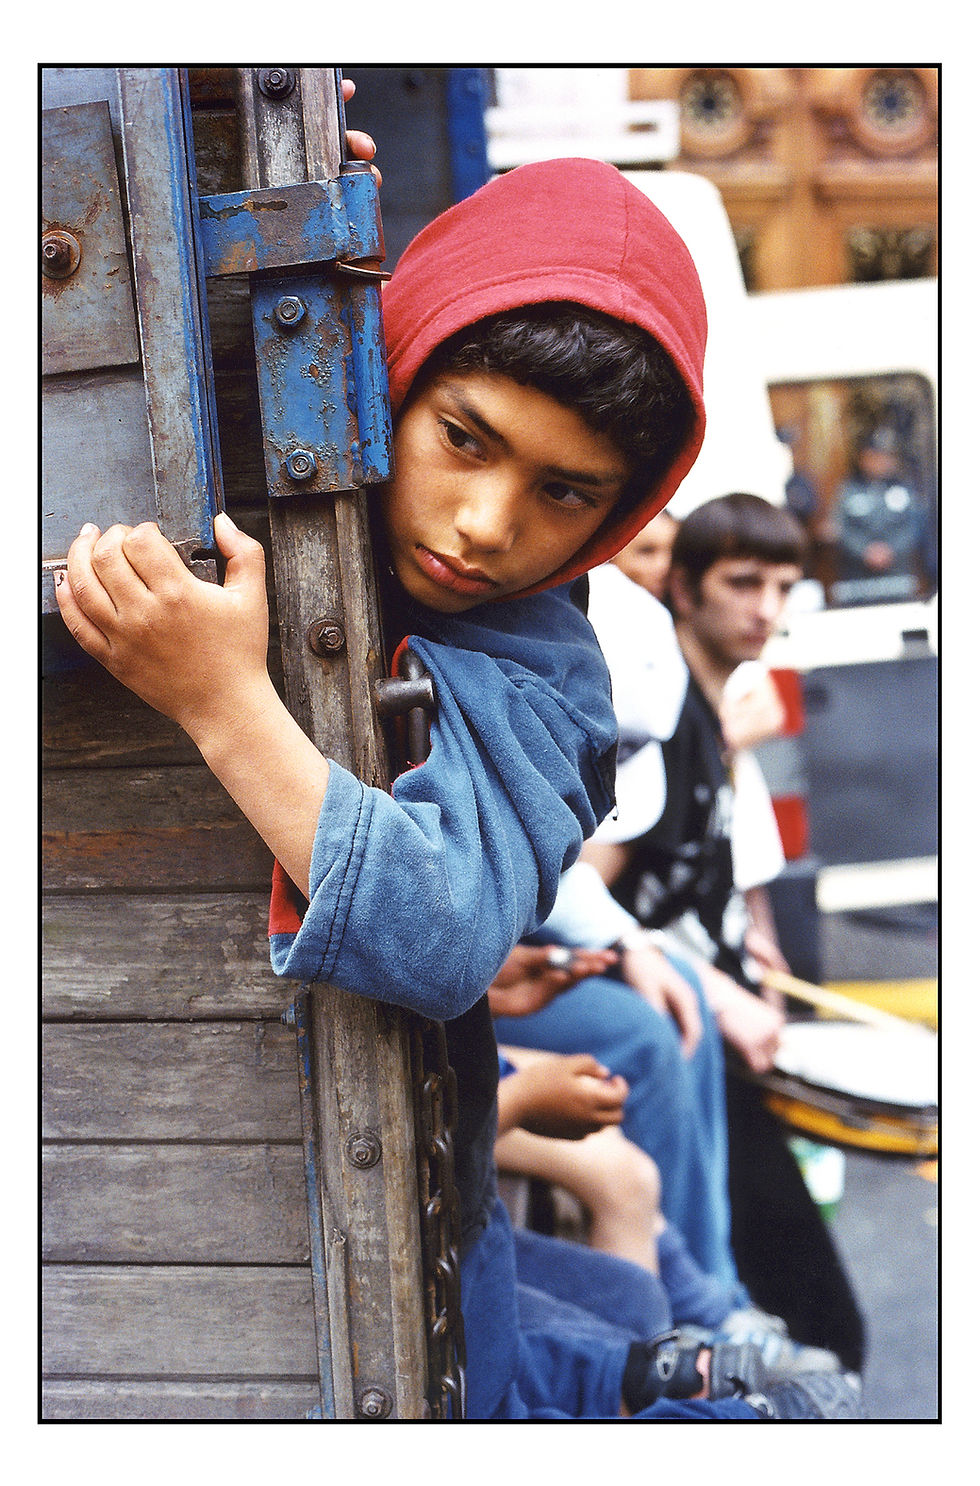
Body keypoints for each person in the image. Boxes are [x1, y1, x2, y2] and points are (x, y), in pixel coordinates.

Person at [54, 154, 854, 1420]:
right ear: (392, 370)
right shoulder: (274, 455)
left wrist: (218, 696)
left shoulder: (550, 673)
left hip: (416, 1222)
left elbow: (433, 935)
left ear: (621, 510)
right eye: (462, 437)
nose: (485, 523)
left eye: (563, 494)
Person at [582, 492, 865, 1370]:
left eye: (784, 586)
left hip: (718, 1020)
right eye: (744, 583)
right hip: (686, 1030)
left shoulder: (709, 718)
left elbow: (710, 882)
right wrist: (717, 987)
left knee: (822, 1324)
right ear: (684, 586)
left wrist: (753, 945)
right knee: (820, 1328)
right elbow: (581, 897)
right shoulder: (658, 724)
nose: (767, 609)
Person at [830, 425, 930, 605]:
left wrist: (890, 550)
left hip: (897, 574)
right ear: (863, 458)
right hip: (857, 578)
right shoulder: (848, 488)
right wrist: (864, 551)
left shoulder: (904, 488)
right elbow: (839, 527)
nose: (879, 462)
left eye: (885, 456)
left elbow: (914, 526)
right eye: (873, 456)